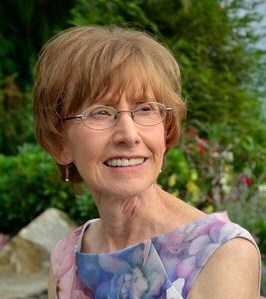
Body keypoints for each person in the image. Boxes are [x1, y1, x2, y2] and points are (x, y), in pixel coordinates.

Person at [33, 25, 262, 299]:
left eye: (145, 109)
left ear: (165, 132)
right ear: (60, 144)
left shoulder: (219, 254)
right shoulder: (66, 260)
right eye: (100, 113)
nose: (129, 135)